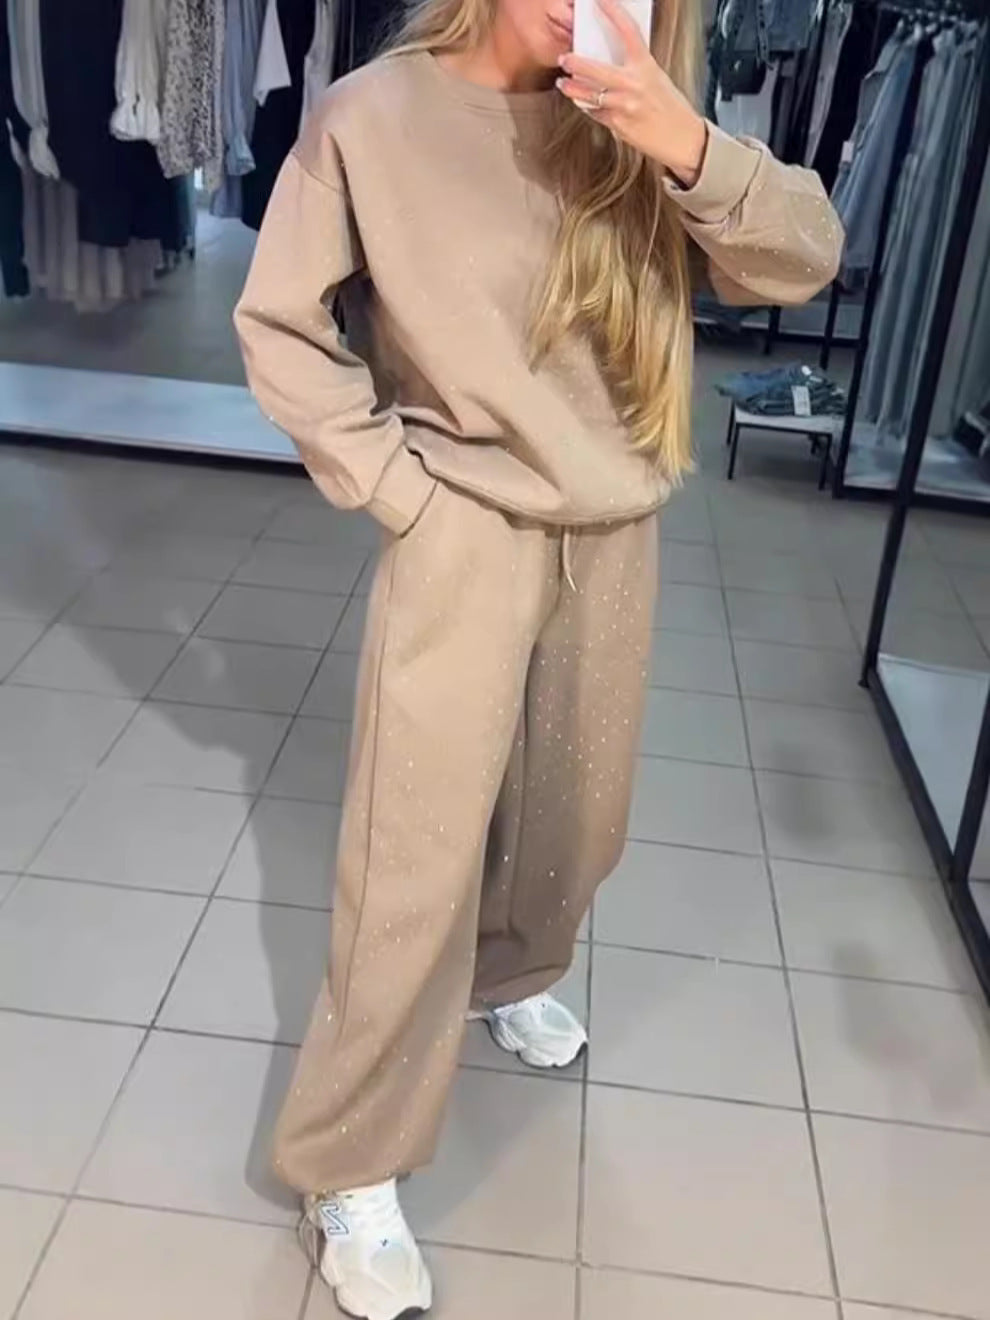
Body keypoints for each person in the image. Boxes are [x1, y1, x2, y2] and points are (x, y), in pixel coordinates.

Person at [234, 1, 842, 1315]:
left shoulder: (642, 116)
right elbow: (278, 322)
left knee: (576, 820)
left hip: (615, 527)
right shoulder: (371, 117)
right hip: (459, 530)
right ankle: (349, 1166)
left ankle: (508, 975)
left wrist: (686, 145)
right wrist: (395, 488)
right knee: (412, 858)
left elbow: (805, 259)